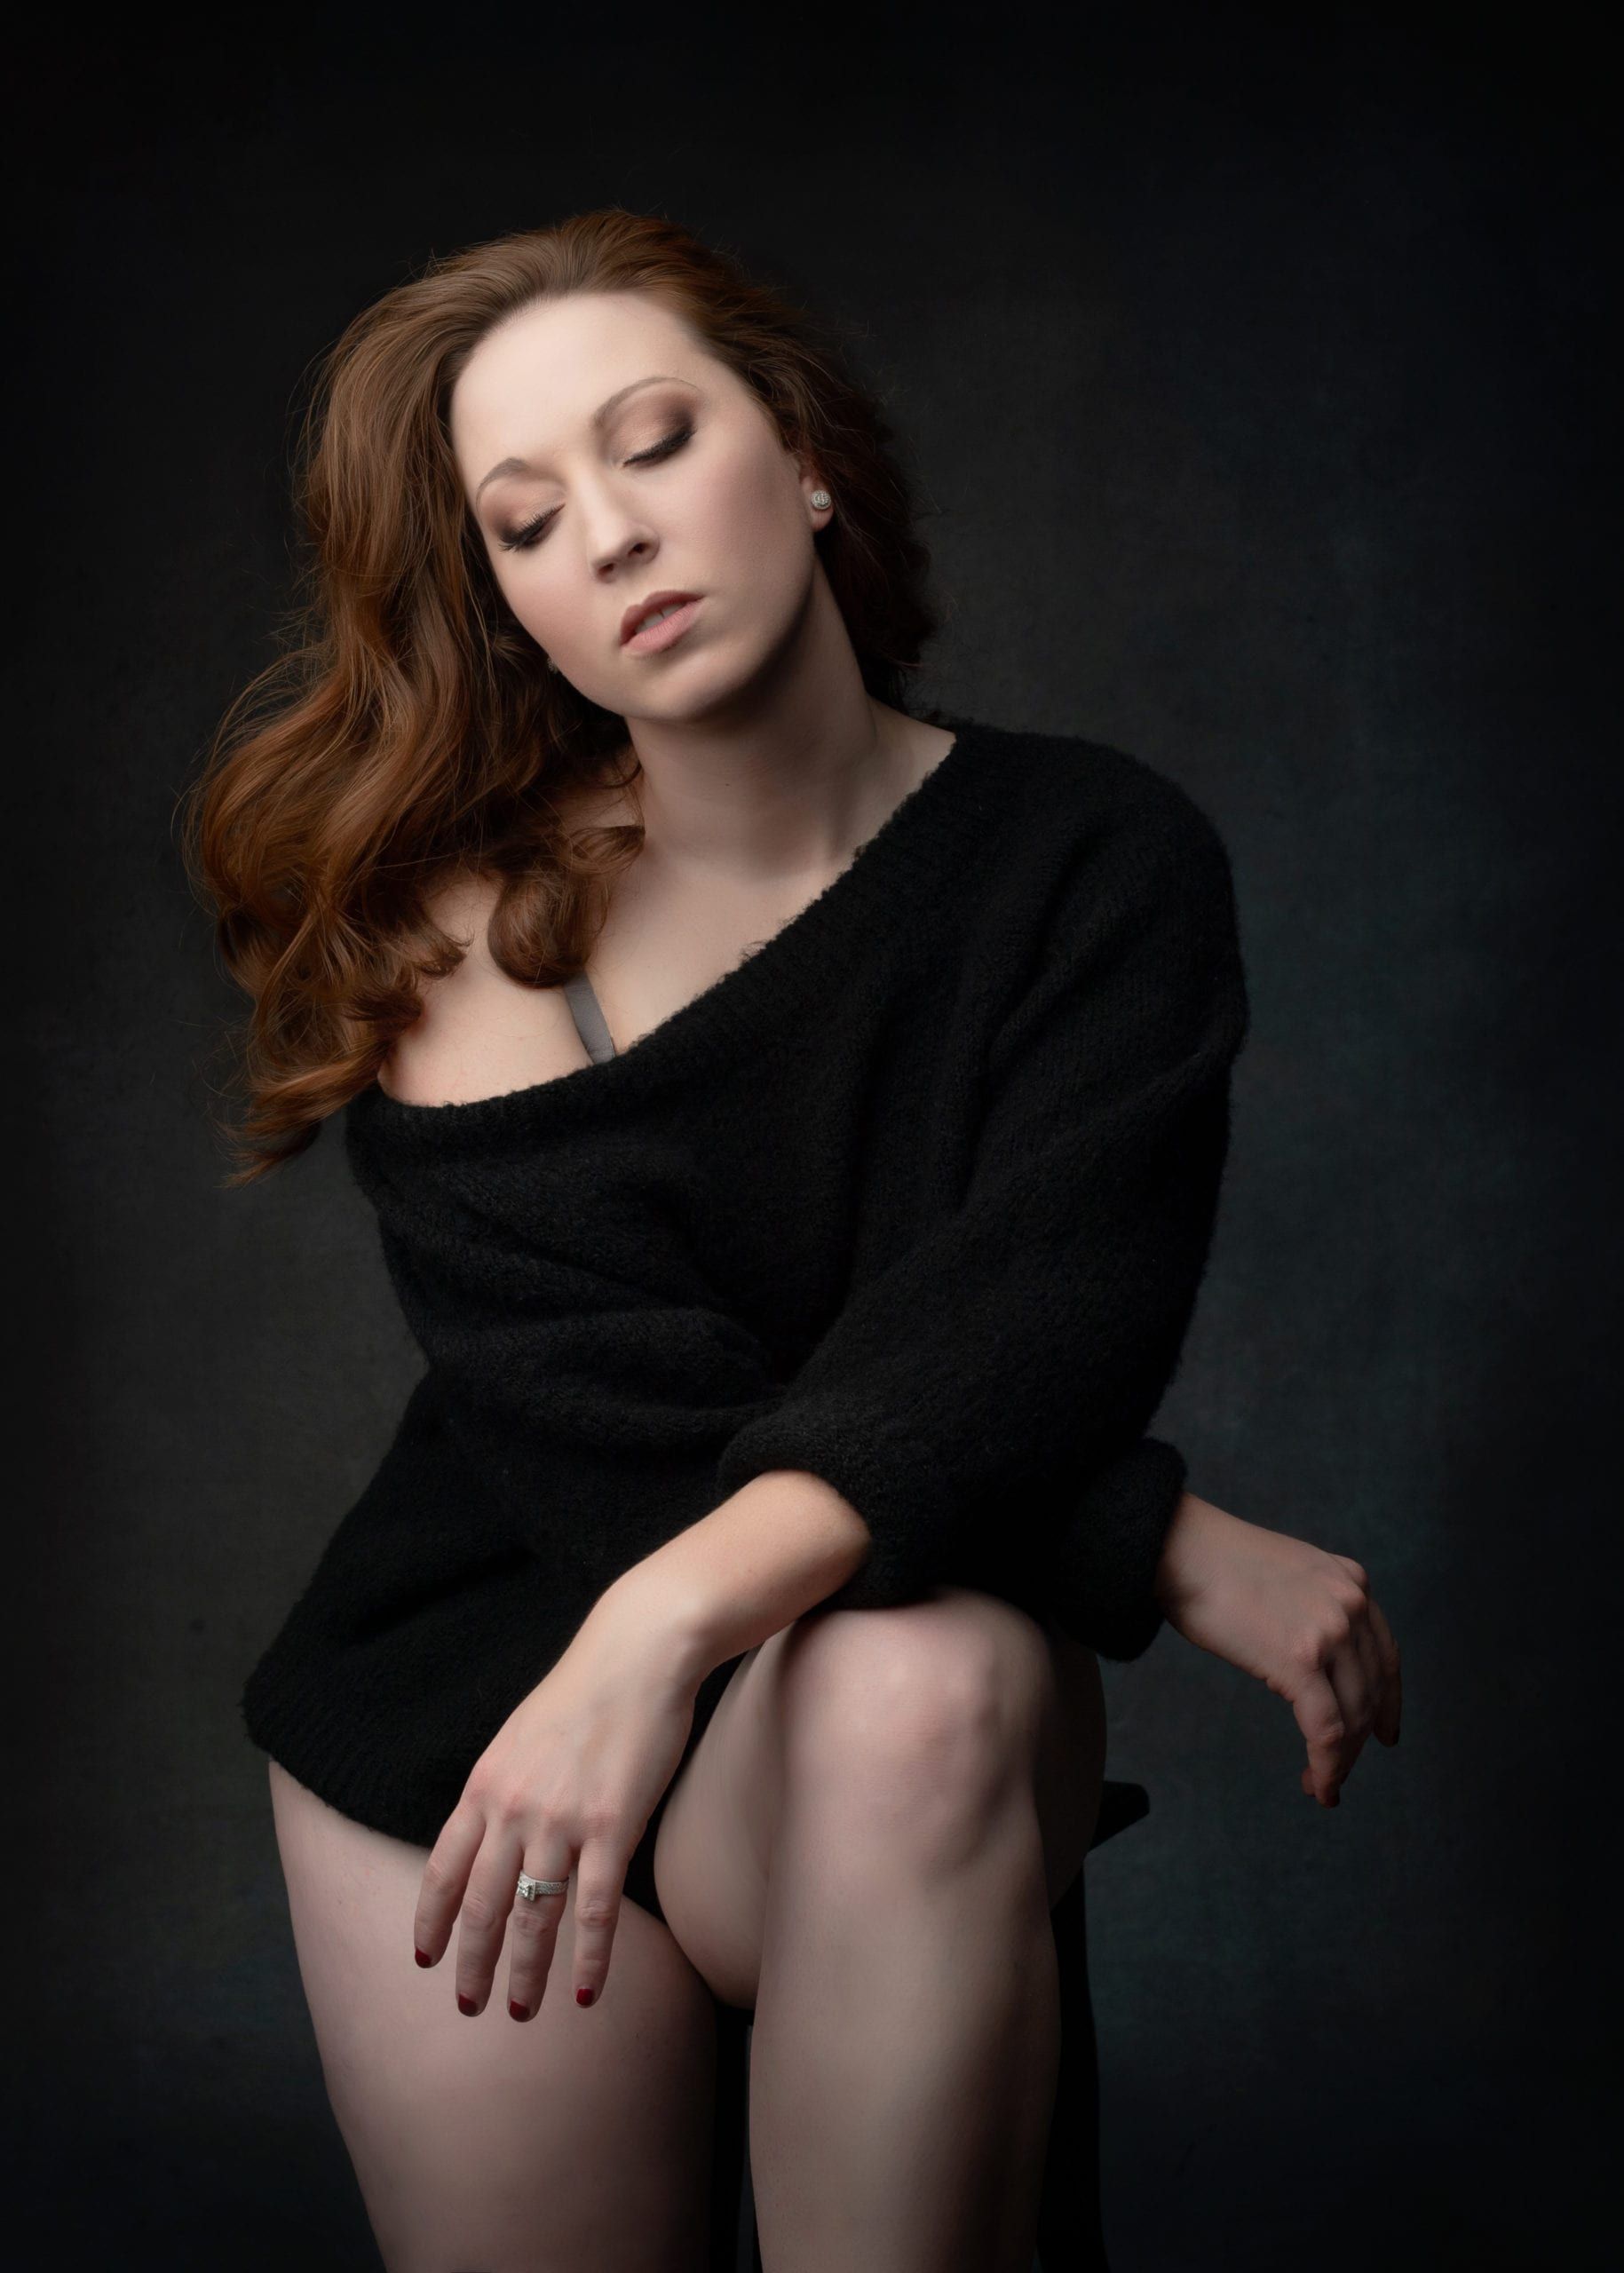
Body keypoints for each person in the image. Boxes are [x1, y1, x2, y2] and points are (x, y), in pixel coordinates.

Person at [182, 208, 1403, 2272]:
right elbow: (620, 1416)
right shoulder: (462, 938)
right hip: (479, 1713)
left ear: (806, 452)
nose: (614, 537)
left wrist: (655, 1634)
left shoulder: (1091, 863)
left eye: (653, 441)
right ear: (515, 620)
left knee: (918, 1678)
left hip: (782, 1678)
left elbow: (1027, 1328)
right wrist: (1165, 1541)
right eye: (529, 520)